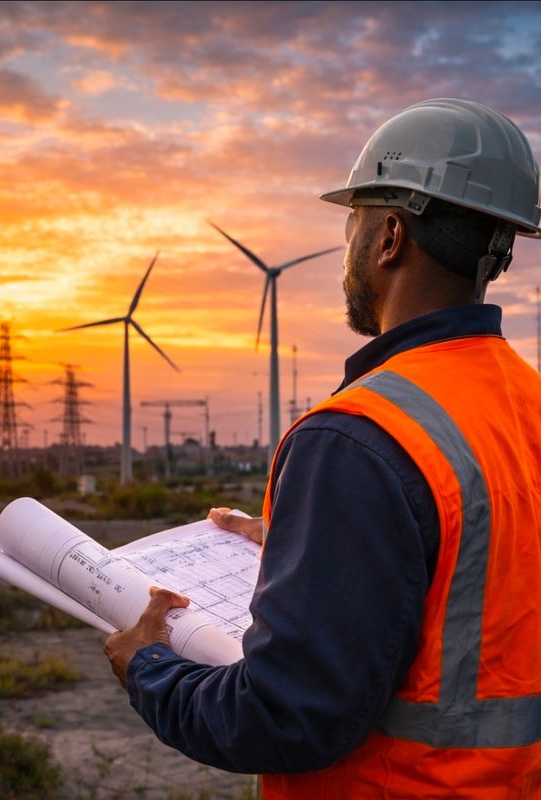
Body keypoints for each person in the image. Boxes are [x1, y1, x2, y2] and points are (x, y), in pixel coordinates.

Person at [104, 98, 541, 798]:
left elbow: (284, 715)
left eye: (354, 221)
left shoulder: (358, 438)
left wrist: (151, 668)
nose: (348, 244)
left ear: (390, 235)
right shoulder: (525, 404)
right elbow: (479, 575)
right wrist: (311, 546)